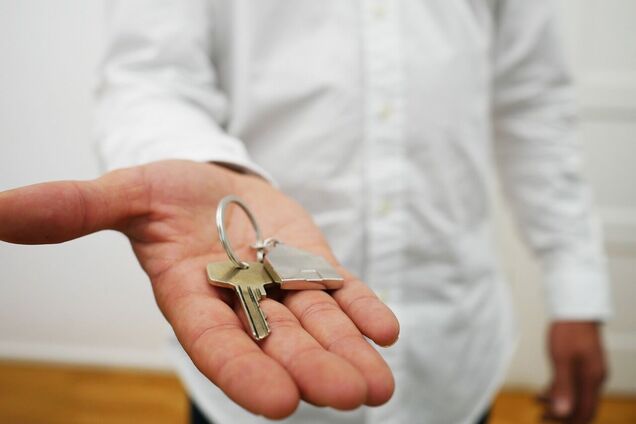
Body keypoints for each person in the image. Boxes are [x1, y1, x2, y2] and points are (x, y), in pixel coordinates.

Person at [0, 1, 611, 423]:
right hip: (244, 379)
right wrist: (203, 164)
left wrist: (576, 288)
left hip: (454, 352)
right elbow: (148, 76)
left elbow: (534, 100)